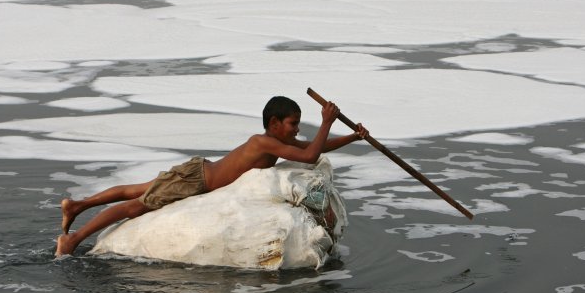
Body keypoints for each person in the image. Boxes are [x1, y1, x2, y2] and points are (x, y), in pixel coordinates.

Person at [55, 95, 368, 257]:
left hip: (197, 172)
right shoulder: (264, 143)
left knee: (135, 191)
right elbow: (311, 154)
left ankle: (77, 206)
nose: (297, 129)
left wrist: (353, 137)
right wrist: (326, 119)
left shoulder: (277, 143)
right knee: (134, 206)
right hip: (196, 181)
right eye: (292, 123)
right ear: (274, 123)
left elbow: (313, 147)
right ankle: (73, 240)